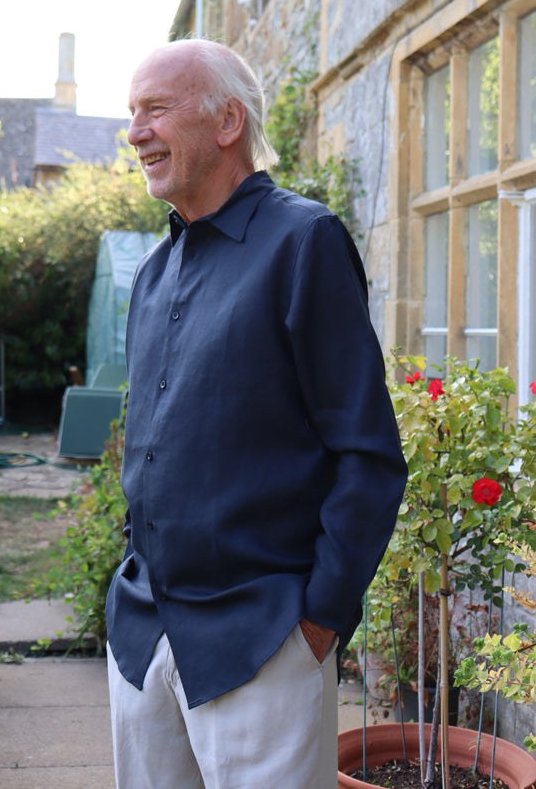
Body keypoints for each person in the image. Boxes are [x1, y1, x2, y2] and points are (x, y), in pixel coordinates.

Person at [105, 39, 407, 789]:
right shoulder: (153, 273)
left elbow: (368, 454)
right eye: (132, 113)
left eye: (156, 109)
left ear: (227, 121)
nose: (135, 132)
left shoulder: (304, 241)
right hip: (144, 636)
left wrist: (318, 623)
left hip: (262, 642)